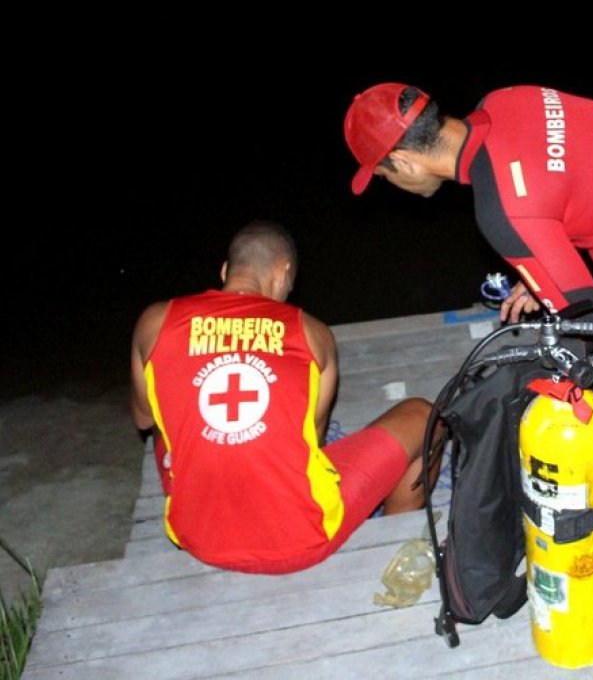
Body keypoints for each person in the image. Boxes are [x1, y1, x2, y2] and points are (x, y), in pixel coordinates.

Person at [342, 83, 593, 467]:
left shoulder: (503, 213)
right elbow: (565, 177)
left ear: (407, 162)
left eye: (383, 176)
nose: (392, 184)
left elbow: (589, 323)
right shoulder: (508, 99)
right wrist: (545, 267)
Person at [130, 220, 438, 574]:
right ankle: (390, 541)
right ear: (283, 271)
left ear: (226, 271)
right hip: (299, 540)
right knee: (425, 417)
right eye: (291, 282)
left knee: (163, 415)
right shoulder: (312, 333)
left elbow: (142, 418)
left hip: (196, 536)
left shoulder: (155, 321)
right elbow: (313, 441)